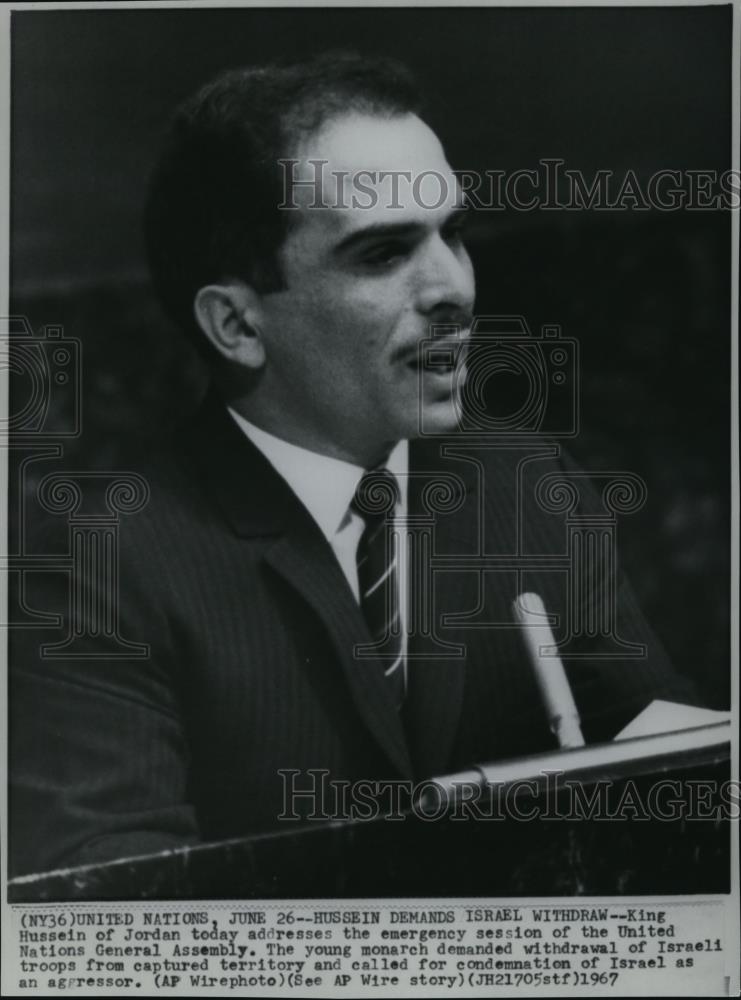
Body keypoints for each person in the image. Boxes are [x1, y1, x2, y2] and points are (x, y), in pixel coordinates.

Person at [9, 51, 694, 878]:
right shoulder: (96, 562)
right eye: (381, 254)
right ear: (236, 326)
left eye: (454, 235)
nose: (453, 289)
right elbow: (113, 912)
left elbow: (674, 781)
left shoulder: (523, 484)